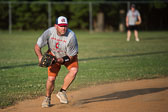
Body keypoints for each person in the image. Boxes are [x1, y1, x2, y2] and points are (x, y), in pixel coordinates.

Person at [34, 16, 78, 108]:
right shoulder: (49, 32)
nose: (64, 28)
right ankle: (47, 98)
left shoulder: (71, 36)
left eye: (65, 26)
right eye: (61, 26)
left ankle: (62, 91)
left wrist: (62, 60)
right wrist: (40, 57)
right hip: (53, 56)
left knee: (74, 70)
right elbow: (37, 47)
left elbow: (71, 55)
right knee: (51, 79)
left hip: (67, 56)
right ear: (56, 26)